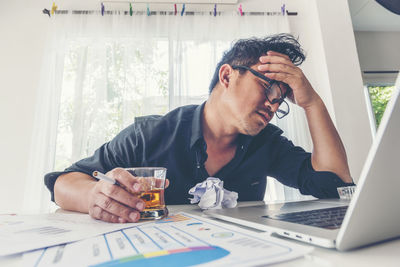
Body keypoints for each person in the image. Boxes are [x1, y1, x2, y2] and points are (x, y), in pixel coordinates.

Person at [45, 33, 354, 224]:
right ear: (227, 76)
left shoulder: (267, 144)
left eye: (280, 100)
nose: (273, 106)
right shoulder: (151, 134)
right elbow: (64, 183)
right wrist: (94, 196)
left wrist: (312, 103)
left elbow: (335, 185)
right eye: (266, 89)